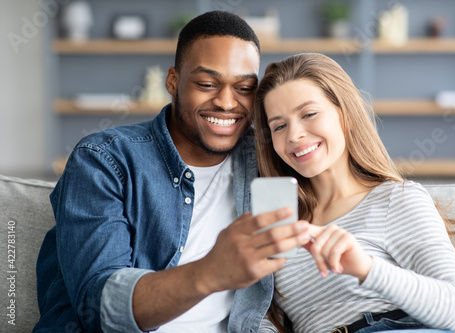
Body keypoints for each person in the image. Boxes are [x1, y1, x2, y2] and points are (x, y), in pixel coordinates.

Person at [34, 11, 311, 333]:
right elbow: (98, 305)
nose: (226, 102)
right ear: (173, 81)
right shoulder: (105, 160)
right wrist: (211, 271)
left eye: (244, 88)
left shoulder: (269, 155)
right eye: (207, 84)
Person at [253, 53, 455, 333]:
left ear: (345, 112)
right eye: (279, 126)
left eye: (309, 114)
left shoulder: (395, 200)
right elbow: (260, 317)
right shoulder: (279, 221)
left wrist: (367, 268)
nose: (293, 135)